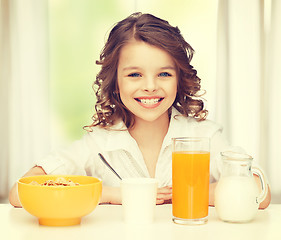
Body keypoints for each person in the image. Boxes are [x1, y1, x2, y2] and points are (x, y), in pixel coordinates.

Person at [9, 12, 271, 208]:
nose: (150, 86)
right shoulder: (98, 143)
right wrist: (114, 195)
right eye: (134, 74)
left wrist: (189, 191)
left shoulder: (204, 137)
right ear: (115, 81)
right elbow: (20, 193)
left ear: (179, 78)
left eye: (164, 74)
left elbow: (261, 192)